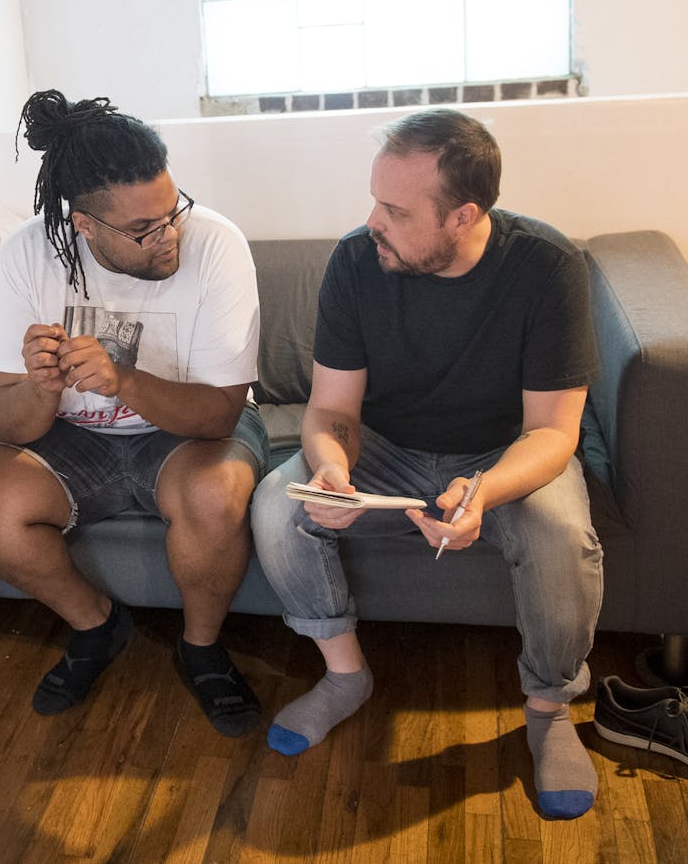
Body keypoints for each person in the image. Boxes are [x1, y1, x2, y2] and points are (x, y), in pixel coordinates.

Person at [251, 108, 604, 817]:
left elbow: (553, 432)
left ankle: (549, 707)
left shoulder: (546, 267)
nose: (372, 220)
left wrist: (482, 489)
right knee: (275, 507)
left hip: (505, 451)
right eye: (374, 199)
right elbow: (331, 412)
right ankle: (346, 676)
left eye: (394, 208)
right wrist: (328, 468)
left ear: (462, 215)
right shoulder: (357, 260)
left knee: (562, 537)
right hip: (383, 446)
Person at [0, 90, 267, 737]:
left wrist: (122, 379)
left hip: (186, 435)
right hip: (72, 439)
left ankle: (200, 646)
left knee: (216, 493)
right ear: (85, 226)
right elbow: (4, 420)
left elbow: (220, 416)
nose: (169, 235)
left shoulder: (217, 246)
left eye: (172, 210)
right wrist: (39, 388)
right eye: (145, 230)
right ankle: (97, 624)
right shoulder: (26, 256)